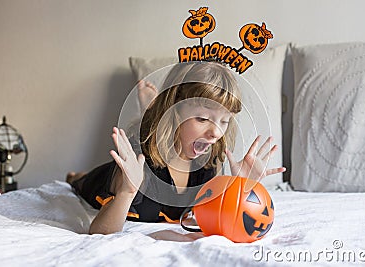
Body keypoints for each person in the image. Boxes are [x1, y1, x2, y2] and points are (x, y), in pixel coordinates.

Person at [67, 61, 285, 240]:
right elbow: (100, 232)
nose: (216, 133)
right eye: (202, 119)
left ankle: (153, 111)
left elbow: (218, 218)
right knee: (82, 181)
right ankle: (78, 175)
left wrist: (239, 190)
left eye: (225, 121)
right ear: (176, 110)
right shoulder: (138, 161)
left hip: (171, 130)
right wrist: (127, 192)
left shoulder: (209, 159)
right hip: (104, 179)